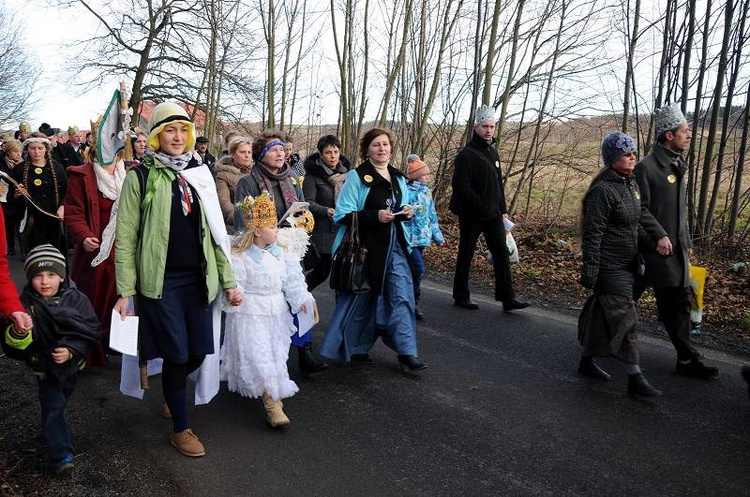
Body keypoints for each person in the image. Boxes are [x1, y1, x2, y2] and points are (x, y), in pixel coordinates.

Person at [113, 102, 242, 458]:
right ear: (156, 136)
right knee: (176, 353)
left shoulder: (199, 175)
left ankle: (173, 394)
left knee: (199, 351)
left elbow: (216, 234)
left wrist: (228, 282)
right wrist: (125, 290)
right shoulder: (140, 178)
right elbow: (126, 238)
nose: (178, 136)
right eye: (170, 130)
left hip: (200, 280)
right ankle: (181, 428)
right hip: (161, 283)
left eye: (184, 130)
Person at [319, 128, 427, 371]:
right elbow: (343, 215)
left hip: (396, 248)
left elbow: (399, 207)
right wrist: (374, 216)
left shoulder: (398, 178)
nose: (382, 149)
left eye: (385, 144)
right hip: (365, 250)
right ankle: (355, 346)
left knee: (402, 295)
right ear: (367, 150)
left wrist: (405, 212)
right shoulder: (357, 177)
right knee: (363, 298)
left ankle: (407, 351)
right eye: (376, 145)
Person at [633, 102, 719, 379]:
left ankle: (686, 359)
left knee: (676, 302)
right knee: (621, 298)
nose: (690, 134)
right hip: (651, 249)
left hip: (673, 249)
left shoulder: (676, 164)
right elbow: (640, 209)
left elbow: (677, 210)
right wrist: (660, 235)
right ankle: (593, 339)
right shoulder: (646, 167)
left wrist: (684, 239)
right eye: (685, 131)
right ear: (669, 135)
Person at [1, 244, 99, 476]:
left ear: (62, 277)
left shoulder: (77, 299)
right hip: (44, 368)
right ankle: (61, 454)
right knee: (53, 405)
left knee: (60, 401)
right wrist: (19, 332)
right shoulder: (25, 304)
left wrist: (71, 350)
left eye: (51, 275)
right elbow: (13, 347)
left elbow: (89, 330)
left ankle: (51, 429)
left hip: (71, 367)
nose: (45, 282)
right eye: (37, 276)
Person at [234, 131, 327, 374]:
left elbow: (301, 207)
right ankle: (258, 361)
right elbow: (243, 222)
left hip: (291, 248)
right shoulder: (248, 182)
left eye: (281, 150)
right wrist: (265, 237)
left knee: (300, 298)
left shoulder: (292, 178)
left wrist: (302, 221)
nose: (280, 153)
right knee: (272, 309)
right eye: (274, 150)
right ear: (261, 155)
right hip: (262, 252)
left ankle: (304, 351)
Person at [578, 132, 661, 397]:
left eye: (633, 152)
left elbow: (634, 225)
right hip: (608, 266)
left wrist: (656, 243)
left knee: (604, 317)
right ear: (613, 158)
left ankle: (586, 361)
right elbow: (593, 234)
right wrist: (591, 270)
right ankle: (635, 376)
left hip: (629, 264)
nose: (632, 157)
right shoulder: (601, 192)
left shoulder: (630, 185)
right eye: (626, 154)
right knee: (626, 317)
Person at [222, 191, 313, 427]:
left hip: (276, 313)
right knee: (258, 354)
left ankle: (271, 393)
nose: (277, 230)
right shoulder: (240, 257)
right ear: (257, 231)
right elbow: (236, 283)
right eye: (272, 227)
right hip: (250, 314)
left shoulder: (282, 253)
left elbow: (292, 280)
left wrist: (300, 298)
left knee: (275, 356)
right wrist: (235, 295)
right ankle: (273, 405)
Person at [449, 105, 529, 312]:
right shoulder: (466, 155)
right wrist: (480, 203)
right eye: (485, 126)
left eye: (492, 126)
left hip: (493, 214)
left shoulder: (493, 152)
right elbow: (461, 186)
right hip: (472, 215)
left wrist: (502, 209)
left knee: (502, 254)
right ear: (476, 127)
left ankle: (507, 297)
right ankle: (461, 295)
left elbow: (498, 184)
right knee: (465, 254)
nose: (489, 130)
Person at [64, 133, 127, 367]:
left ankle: (116, 346)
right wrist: (84, 236)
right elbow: (73, 212)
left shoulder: (128, 173)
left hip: (122, 249)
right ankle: (86, 354)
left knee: (119, 300)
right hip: (96, 251)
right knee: (91, 302)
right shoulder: (82, 175)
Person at [301, 134, 352, 290]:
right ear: (321, 154)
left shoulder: (348, 174)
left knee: (342, 274)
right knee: (322, 271)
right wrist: (325, 211)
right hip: (322, 231)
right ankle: (301, 294)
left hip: (343, 229)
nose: (333, 156)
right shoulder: (312, 176)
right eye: (329, 152)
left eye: (336, 152)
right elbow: (307, 203)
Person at [12, 133, 68, 255]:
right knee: (36, 257)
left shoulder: (57, 167)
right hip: (32, 223)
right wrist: (16, 195)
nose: (36, 152)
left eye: (40, 148)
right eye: (32, 148)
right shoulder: (19, 170)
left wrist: (63, 206)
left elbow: (67, 191)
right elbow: (10, 198)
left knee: (56, 257)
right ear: (27, 149)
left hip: (54, 220)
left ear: (46, 149)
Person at [405, 157, 444, 320]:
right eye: (425, 175)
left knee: (414, 272)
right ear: (417, 176)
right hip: (410, 241)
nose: (427, 177)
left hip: (422, 239)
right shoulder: (406, 192)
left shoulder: (426, 192)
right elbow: (402, 215)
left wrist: (437, 236)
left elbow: (431, 215)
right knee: (418, 269)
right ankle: (412, 301)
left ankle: (411, 301)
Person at [215, 136, 252, 233]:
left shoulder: (256, 172)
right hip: (234, 226)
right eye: (242, 152)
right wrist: (240, 218)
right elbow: (224, 201)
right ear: (233, 154)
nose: (247, 155)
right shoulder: (222, 174)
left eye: (249, 152)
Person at [0, 140, 22, 255]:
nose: (19, 154)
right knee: (8, 223)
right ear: (8, 152)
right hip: (6, 197)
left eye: (20, 151)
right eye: (15, 151)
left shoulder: (23, 164)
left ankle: (23, 248)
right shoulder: (2, 164)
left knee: (20, 223)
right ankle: (11, 245)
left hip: (20, 197)